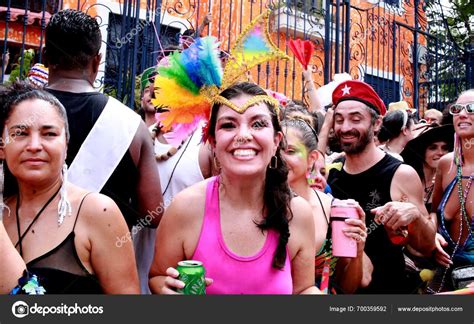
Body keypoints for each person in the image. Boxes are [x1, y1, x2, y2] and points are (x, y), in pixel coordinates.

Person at [149, 82, 319, 294]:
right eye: (229, 125)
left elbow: (305, 288)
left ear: (276, 141)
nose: (243, 135)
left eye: (258, 124)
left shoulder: (298, 213)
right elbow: (157, 276)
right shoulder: (185, 208)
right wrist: (165, 287)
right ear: (212, 142)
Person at [0, 83, 139, 293]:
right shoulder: (4, 212)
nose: (35, 145)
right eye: (20, 133)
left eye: (49, 134)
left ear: (66, 144)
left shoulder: (97, 212)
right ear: (2, 146)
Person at [43, 9, 163, 229]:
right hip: (103, 257)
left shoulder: (13, 113)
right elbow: (152, 214)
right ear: (97, 61)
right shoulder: (131, 125)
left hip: (16, 256)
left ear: (44, 56)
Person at [327, 80, 436, 293]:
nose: (345, 127)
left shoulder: (400, 174)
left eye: (355, 119)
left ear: (377, 124)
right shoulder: (332, 175)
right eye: (339, 120)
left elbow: (426, 246)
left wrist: (414, 216)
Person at [281, 111, 370, 294]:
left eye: (290, 151)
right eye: (276, 150)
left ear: (311, 158)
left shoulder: (333, 209)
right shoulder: (257, 205)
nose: (281, 158)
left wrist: (358, 251)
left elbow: (347, 287)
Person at [428, 89, 474, 293]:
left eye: (471, 108)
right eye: (457, 109)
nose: (462, 114)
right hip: (445, 274)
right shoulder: (446, 164)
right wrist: (433, 236)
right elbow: (433, 210)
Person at [401, 124, 454, 211]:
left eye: (445, 148)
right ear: (422, 151)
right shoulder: (406, 177)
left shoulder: (449, 182)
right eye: (433, 148)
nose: (440, 152)